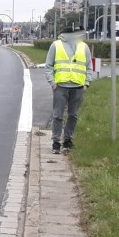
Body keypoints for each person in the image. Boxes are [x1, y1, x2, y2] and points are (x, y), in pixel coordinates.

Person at [43, 26, 93, 154]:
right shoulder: (56, 45)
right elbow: (48, 66)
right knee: (57, 115)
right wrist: (53, 83)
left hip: (78, 87)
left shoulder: (84, 47)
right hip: (61, 86)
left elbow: (88, 67)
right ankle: (56, 142)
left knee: (73, 115)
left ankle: (68, 140)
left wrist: (86, 84)